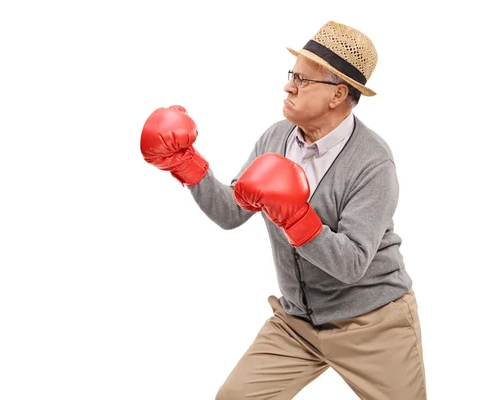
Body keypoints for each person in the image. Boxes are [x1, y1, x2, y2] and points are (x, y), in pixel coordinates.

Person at [140, 20, 426, 399]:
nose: (289, 85)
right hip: (297, 322)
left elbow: (352, 264)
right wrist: (186, 163)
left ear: (338, 94)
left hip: (373, 323)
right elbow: (231, 212)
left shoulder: (373, 162)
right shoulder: (276, 137)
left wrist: (295, 216)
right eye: (292, 74)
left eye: (304, 80)